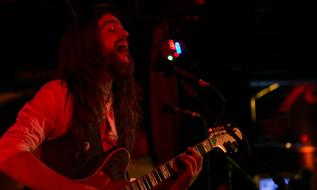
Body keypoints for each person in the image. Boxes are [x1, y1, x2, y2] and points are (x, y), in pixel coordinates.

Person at [0, 4, 203, 190]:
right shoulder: (60, 94)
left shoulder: (120, 106)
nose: (126, 33)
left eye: (122, 28)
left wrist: (178, 187)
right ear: (87, 43)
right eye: (111, 29)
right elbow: (7, 152)